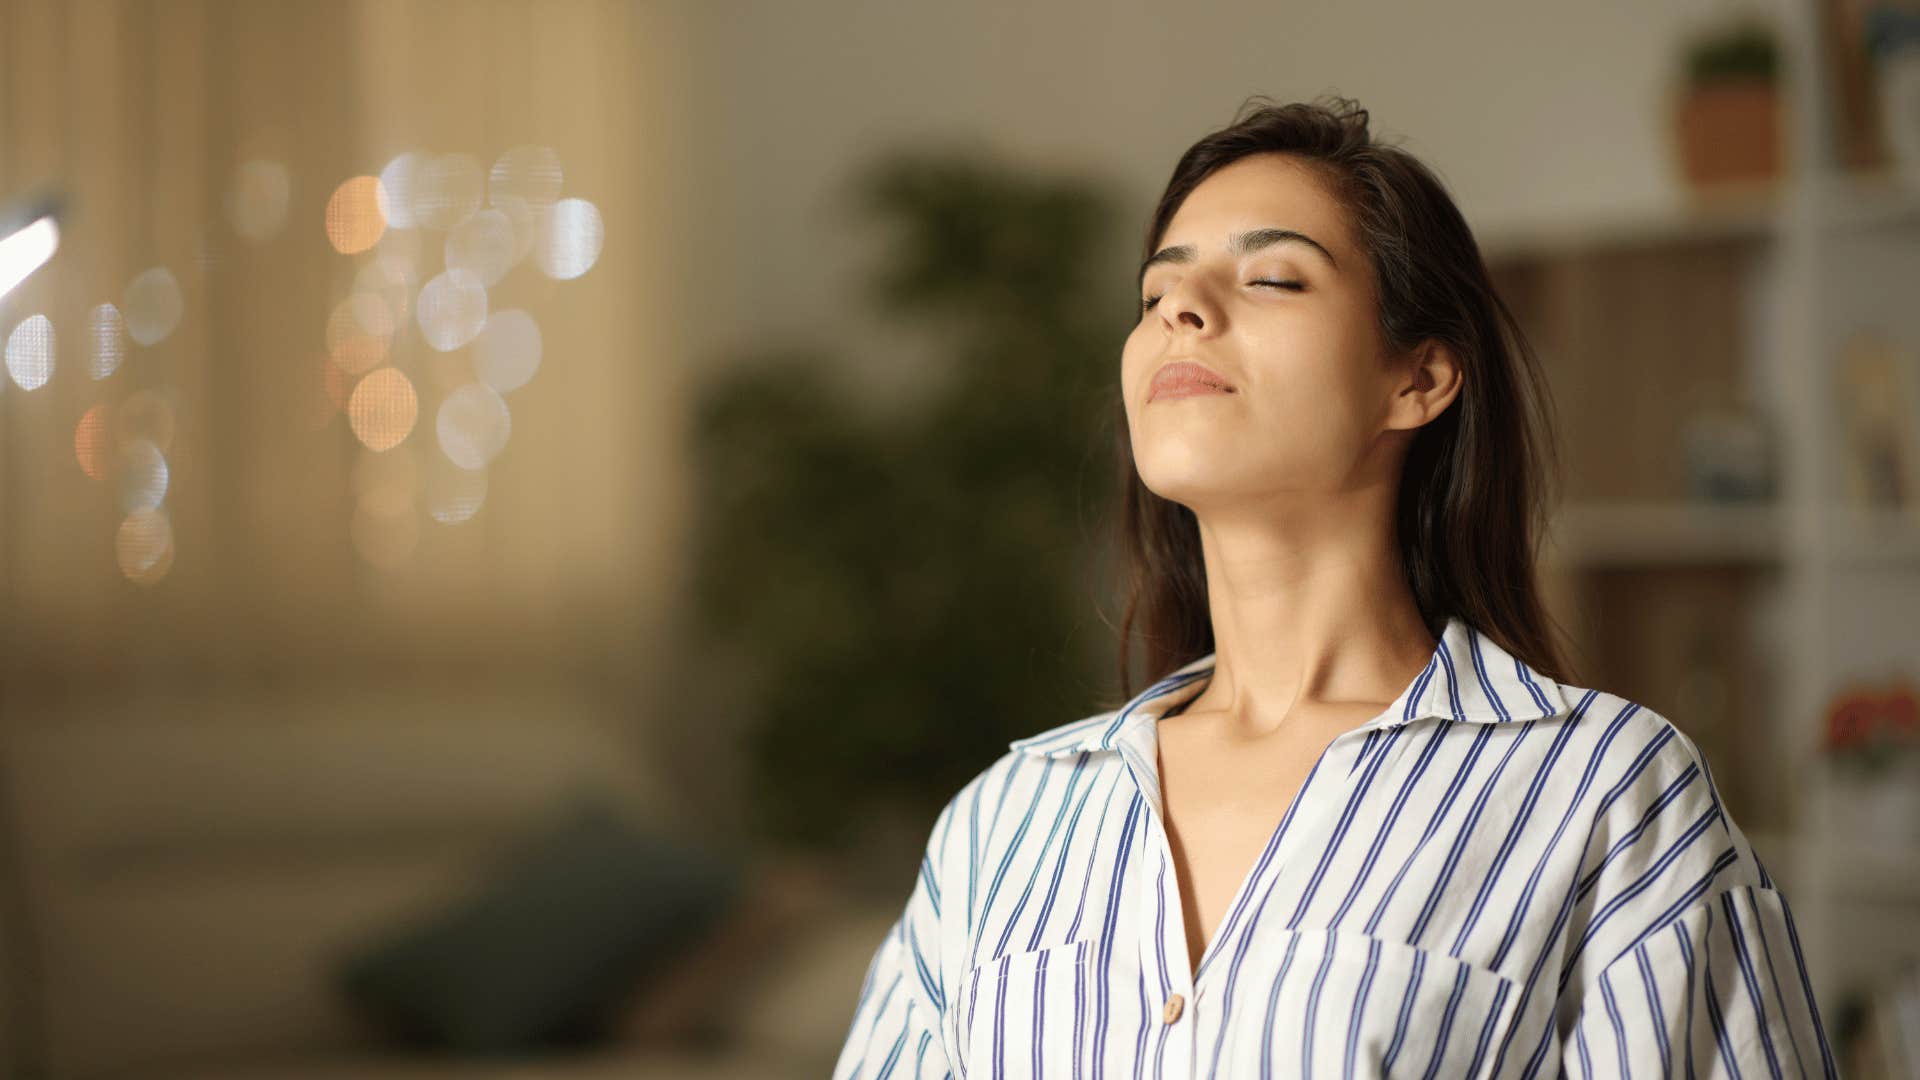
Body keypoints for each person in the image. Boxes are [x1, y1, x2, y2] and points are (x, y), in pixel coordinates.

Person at [832, 94, 1835, 1079]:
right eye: (1155, 295)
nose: (1182, 308)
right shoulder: (1004, 822)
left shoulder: (1606, 795)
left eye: (1272, 278)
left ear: (1420, 379)